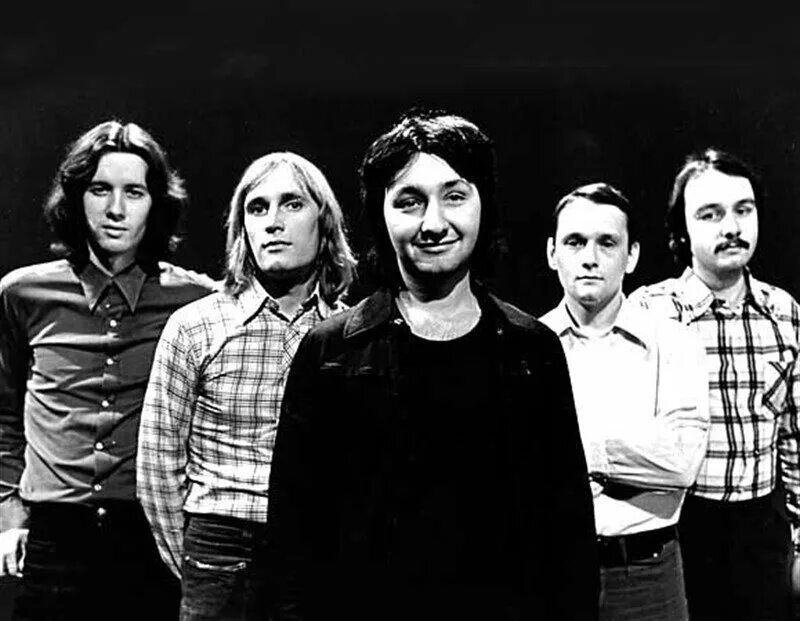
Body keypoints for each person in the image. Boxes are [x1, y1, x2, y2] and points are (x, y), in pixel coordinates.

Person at [265, 109, 599, 621]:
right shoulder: (330, 351)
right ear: (380, 214)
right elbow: (292, 540)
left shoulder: (533, 351)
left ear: (484, 204)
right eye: (409, 201)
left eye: (455, 196)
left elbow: (568, 536)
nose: (434, 223)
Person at [0, 120, 216, 620]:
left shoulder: (196, 301)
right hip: (52, 536)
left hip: (150, 539)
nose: (116, 209)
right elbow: (4, 414)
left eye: (133, 192)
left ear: (155, 204)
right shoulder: (22, 294)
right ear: (76, 198)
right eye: (100, 189)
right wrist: (9, 516)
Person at [137, 151, 356, 620]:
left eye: (292, 204)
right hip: (218, 547)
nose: (273, 222)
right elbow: (157, 466)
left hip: (314, 549)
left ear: (324, 222)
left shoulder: (351, 333)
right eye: (258, 208)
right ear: (242, 229)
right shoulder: (195, 326)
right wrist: (197, 566)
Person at [630, 148, 800, 620]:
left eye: (743, 210)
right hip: (680, 531)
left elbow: (795, 436)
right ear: (682, 228)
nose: (731, 227)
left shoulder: (785, 313)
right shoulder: (650, 312)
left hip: (763, 533)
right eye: (710, 214)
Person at [540, 182, 709, 620]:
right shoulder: (527, 346)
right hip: (550, 569)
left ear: (631, 255)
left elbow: (681, 462)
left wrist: (579, 450)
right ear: (552, 253)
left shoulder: (675, 341)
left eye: (607, 242)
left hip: (647, 576)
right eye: (575, 242)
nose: (590, 257)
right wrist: (633, 453)